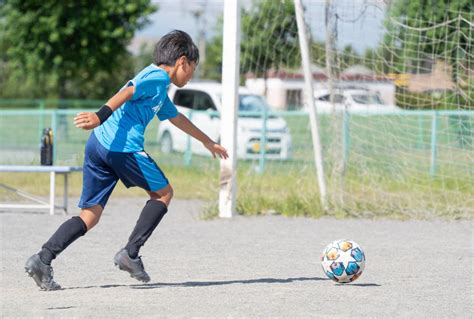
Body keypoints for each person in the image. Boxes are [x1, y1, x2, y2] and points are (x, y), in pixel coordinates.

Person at [24, 30, 228, 290]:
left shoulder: (159, 92)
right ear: (182, 61)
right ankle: (130, 254)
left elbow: (176, 117)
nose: (191, 76)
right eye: (193, 69)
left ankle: (43, 259)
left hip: (98, 145)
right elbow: (129, 91)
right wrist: (101, 115)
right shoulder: (156, 76)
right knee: (164, 193)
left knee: (90, 215)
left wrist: (206, 141)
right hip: (122, 149)